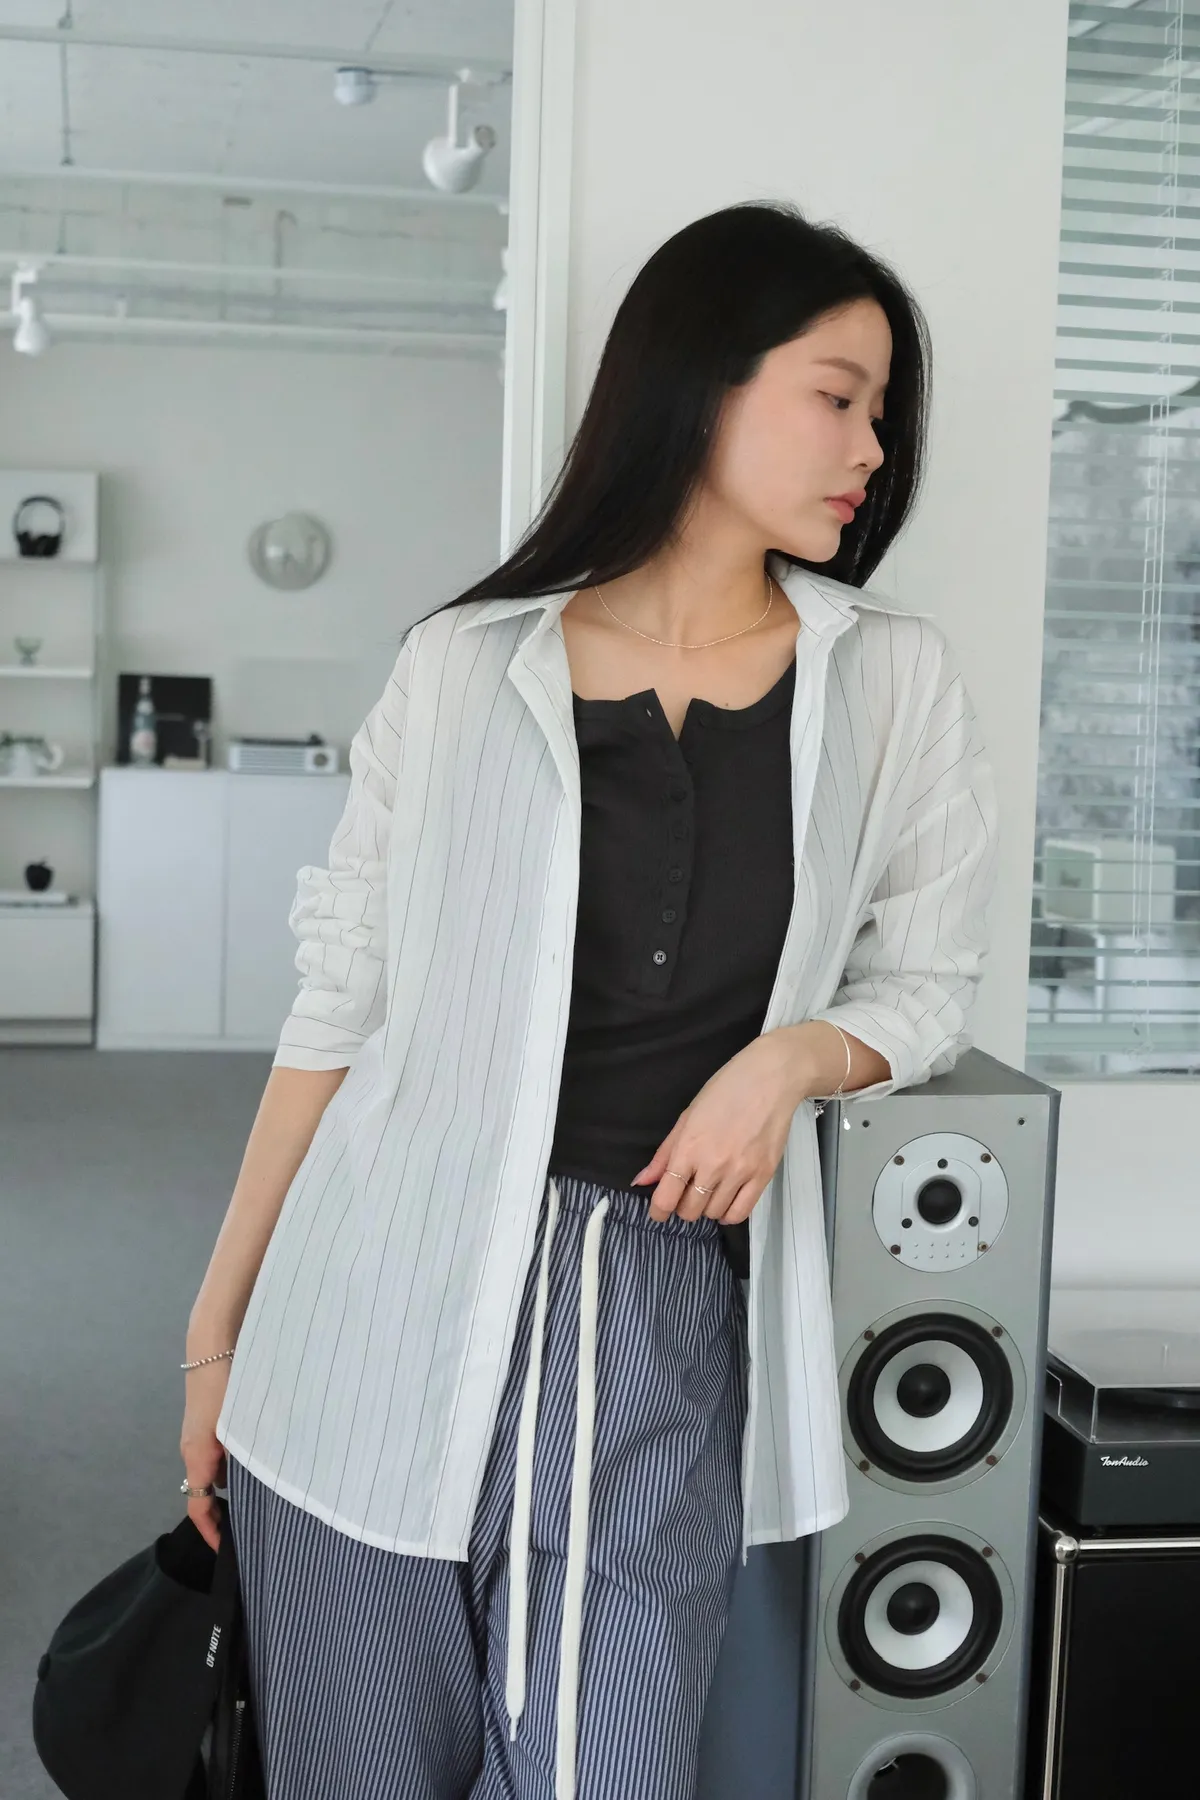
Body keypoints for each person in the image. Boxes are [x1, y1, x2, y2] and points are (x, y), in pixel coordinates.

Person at [180, 198, 998, 1800]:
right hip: (371, 1309)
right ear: (701, 384)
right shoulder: (461, 666)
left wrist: (791, 1060)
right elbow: (339, 1007)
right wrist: (216, 1335)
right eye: (838, 397)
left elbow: (927, 982)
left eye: (882, 413)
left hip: (656, 1315)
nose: (872, 449)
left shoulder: (890, 678)